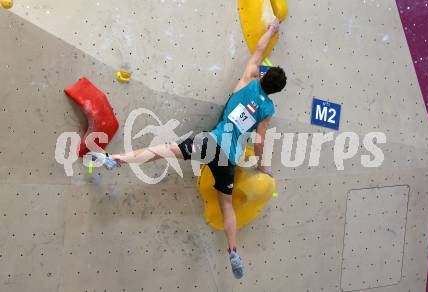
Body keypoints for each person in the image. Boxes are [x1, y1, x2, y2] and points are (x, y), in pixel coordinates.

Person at [89, 17, 286, 279]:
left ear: (263, 76)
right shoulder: (268, 109)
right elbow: (260, 142)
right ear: (275, 91)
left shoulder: (248, 80)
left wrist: (271, 29)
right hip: (229, 158)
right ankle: (233, 252)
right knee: (226, 205)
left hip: (211, 142)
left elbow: (259, 51)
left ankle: (115, 159)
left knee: (164, 150)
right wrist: (263, 166)